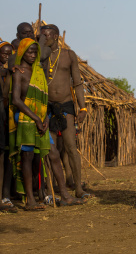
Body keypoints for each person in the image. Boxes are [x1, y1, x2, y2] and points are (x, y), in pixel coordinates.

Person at [9, 38, 84, 209]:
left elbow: (45, 99)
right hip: (26, 119)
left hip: (41, 119)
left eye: (35, 52)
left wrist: (45, 118)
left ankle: (65, 195)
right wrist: (36, 118)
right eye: (29, 51)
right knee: (27, 158)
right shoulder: (18, 72)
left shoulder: (39, 72)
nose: (33, 55)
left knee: (54, 155)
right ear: (22, 52)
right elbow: (16, 100)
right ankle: (31, 200)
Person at [40, 24, 90, 199]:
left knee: (70, 147)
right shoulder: (40, 57)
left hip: (66, 104)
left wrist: (82, 107)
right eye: (41, 36)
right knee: (49, 148)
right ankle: (50, 189)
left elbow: (77, 83)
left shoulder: (69, 55)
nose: (43, 39)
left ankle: (78, 188)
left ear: (55, 36)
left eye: (45, 36)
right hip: (47, 106)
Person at [0, 40, 17, 213]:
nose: (6, 56)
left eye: (8, 53)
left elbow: (6, 95)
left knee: (6, 156)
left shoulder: (7, 72)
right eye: (3, 53)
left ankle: (5, 195)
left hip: (4, 117)